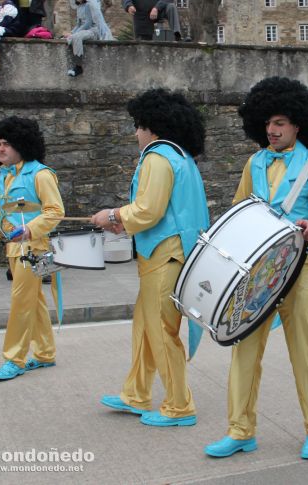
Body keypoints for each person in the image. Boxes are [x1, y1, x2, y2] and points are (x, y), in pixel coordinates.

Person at [204, 77, 308, 460]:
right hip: (255, 275)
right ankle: (240, 430)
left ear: (298, 125)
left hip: (301, 271)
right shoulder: (254, 163)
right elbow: (238, 210)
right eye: (268, 123)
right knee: (244, 349)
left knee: (304, 352)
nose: (272, 129)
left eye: (280, 122)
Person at [92, 89, 209, 427]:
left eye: (138, 126)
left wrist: (112, 215)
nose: (136, 133)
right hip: (172, 253)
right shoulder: (181, 156)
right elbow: (163, 211)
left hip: (164, 255)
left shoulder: (157, 156)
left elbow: (147, 211)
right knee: (146, 328)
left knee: (160, 331)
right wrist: (121, 222)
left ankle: (179, 405)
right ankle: (136, 394)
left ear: (151, 126)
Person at [0, 116, 65, 380]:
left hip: (35, 249)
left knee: (20, 303)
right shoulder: (4, 176)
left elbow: (55, 211)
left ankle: (14, 359)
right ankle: (44, 353)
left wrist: (30, 229)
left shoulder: (41, 174)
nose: (1, 149)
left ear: (22, 145)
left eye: (7, 143)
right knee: (33, 301)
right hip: (14, 250)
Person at [65, 0, 114, 77]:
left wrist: (74, 34)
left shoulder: (88, 5)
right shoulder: (79, 7)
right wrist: (71, 33)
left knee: (77, 37)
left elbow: (88, 23)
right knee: (72, 37)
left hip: (93, 30)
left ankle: (78, 67)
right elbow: (78, 24)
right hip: (84, 30)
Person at [0, 0, 31, 70]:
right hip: (5, 27)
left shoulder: (9, 6)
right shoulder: (2, 7)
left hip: (12, 29)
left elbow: (5, 22)